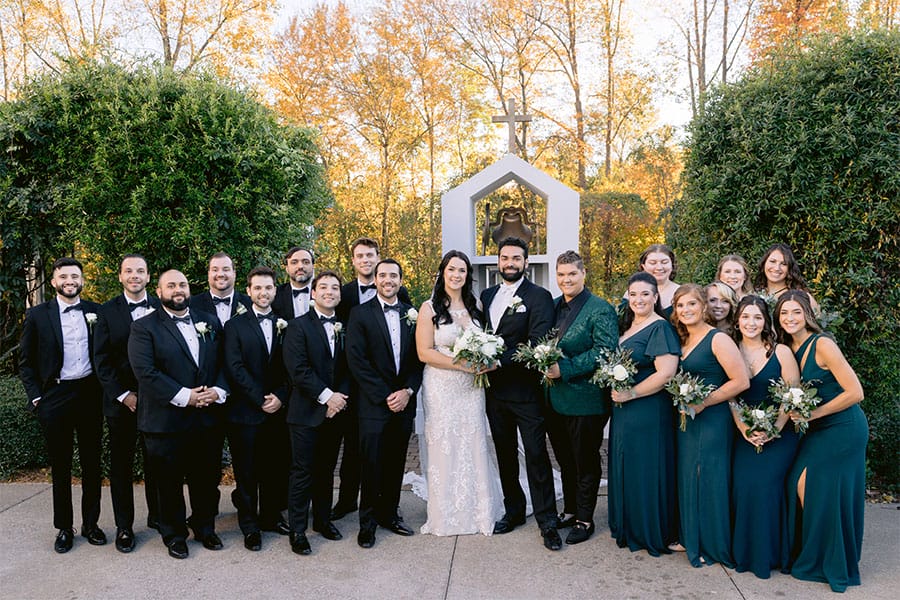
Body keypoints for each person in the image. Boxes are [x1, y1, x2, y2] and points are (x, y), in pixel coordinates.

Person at [128, 269, 229, 559]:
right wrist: (186, 396)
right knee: (168, 482)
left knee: (206, 479)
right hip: (165, 420)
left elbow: (226, 361)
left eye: (183, 284)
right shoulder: (144, 327)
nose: (178, 289)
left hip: (206, 417)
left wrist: (219, 391)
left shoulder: (208, 322)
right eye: (170, 285)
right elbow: (145, 372)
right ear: (158, 292)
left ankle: (205, 527)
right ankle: (174, 534)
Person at [775, 291, 867, 593]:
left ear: (807, 314)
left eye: (796, 312)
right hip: (816, 429)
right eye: (784, 313)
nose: (790, 318)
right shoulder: (788, 347)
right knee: (797, 484)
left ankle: (831, 562)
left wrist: (813, 414)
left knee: (814, 486)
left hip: (843, 427)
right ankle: (812, 555)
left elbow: (855, 392)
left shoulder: (822, 344)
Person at [19, 257, 105, 553]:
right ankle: (64, 528)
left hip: (90, 394)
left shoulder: (96, 311)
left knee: (93, 463)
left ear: (82, 280)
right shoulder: (38, 315)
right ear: (54, 282)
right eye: (64, 276)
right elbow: (26, 362)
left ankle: (91, 524)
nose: (70, 280)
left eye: (75, 276)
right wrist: (37, 398)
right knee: (61, 466)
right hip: (55, 396)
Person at [480, 237, 561, 551]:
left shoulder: (539, 296)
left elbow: (537, 340)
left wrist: (497, 360)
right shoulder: (486, 295)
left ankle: (547, 522)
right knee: (504, 456)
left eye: (516, 258)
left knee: (536, 457)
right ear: (498, 261)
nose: (510, 263)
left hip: (526, 393)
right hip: (494, 394)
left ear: (526, 262)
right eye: (504, 258)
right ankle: (513, 510)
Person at [415, 250, 503, 536]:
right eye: (451, 269)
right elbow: (424, 352)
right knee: (445, 442)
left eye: (462, 271)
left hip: (471, 389)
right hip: (441, 386)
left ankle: (479, 510)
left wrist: (485, 360)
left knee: (473, 440)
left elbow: (486, 341)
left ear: (468, 275)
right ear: (442, 272)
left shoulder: (475, 305)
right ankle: (445, 513)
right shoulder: (428, 308)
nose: (456, 275)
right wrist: (465, 365)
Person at [332, 237, 411, 522]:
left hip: (396, 393)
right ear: (354, 260)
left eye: (371, 256)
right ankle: (351, 506)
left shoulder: (405, 304)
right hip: (355, 389)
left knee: (391, 456)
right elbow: (351, 351)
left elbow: (412, 351)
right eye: (360, 256)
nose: (366, 260)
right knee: (358, 452)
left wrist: (404, 391)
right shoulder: (346, 297)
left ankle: (389, 510)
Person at [346, 259, 423, 549]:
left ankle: (390, 514)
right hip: (374, 406)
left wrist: (407, 391)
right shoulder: (359, 314)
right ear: (375, 280)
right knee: (372, 464)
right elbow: (357, 361)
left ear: (401, 280)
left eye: (393, 275)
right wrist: (385, 395)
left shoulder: (411, 314)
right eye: (383, 275)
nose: (388, 280)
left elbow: (419, 359)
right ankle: (367, 524)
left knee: (395, 463)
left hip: (404, 403)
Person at [670, 284, 749, 567]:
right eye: (680, 306)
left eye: (691, 304)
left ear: (703, 307)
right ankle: (691, 536)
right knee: (689, 477)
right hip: (687, 420)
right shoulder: (682, 339)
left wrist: (705, 401)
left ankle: (712, 544)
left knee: (709, 477)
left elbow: (741, 381)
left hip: (712, 419)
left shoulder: (718, 339)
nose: (686, 310)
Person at [543, 251, 618, 545]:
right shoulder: (551, 306)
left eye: (571, 274)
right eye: (561, 275)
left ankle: (585, 519)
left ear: (583, 274)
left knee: (585, 460)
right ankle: (571, 510)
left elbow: (605, 350)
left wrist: (566, 368)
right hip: (554, 400)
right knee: (564, 459)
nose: (566, 280)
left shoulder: (601, 308)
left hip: (586, 400)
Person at [608, 272, 679, 556]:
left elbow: (666, 372)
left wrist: (632, 393)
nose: (639, 299)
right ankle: (628, 524)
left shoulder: (659, 328)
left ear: (655, 297)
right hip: (624, 408)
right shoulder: (625, 326)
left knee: (647, 466)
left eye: (645, 294)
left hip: (648, 408)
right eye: (633, 294)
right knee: (627, 463)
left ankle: (648, 530)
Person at [93, 254, 161, 552]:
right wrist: (123, 394)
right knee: (121, 466)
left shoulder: (162, 306)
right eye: (129, 271)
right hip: (122, 402)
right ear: (120, 276)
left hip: (159, 401)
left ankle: (159, 516)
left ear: (149, 277)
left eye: (141, 271)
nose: (135, 275)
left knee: (157, 462)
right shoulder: (106, 312)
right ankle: (124, 526)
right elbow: (101, 360)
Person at [729, 295, 800, 578]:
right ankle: (744, 554)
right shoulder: (731, 350)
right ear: (737, 320)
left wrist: (774, 428)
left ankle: (771, 555)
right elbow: (731, 398)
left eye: (757, 317)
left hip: (780, 434)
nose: (751, 322)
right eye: (745, 316)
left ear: (766, 321)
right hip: (743, 433)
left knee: (765, 484)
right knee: (743, 484)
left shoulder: (780, 351)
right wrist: (745, 429)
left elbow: (792, 394)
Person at [223, 266, 291, 552]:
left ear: (275, 291)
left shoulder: (285, 324)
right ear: (248, 291)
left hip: (277, 411)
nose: (264, 293)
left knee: (275, 468)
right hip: (246, 412)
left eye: (268, 288)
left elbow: (292, 368)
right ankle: (249, 526)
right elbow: (234, 367)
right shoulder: (234, 326)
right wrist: (259, 398)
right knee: (247, 472)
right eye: (258, 288)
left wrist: (280, 396)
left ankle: (271, 517)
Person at [283, 270, 351, 555]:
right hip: (306, 412)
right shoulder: (298, 327)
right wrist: (328, 397)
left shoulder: (345, 325)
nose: (329, 292)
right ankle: (298, 530)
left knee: (326, 470)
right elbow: (297, 369)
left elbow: (350, 367)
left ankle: (323, 521)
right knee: (303, 472)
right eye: (323, 287)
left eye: (335, 288)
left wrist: (340, 400)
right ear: (313, 293)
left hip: (335, 413)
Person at [190, 251, 253, 326]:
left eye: (225, 269)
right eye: (215, 270)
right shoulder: (192, 305)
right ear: (208, 274)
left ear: (234, 274)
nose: (220, 274)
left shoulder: (251, 304)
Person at [753, 244, 818, 310]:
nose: (777, 268)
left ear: (789, 268)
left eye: (783, 264)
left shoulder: (802, 296)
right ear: (764, 263)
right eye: (772, 261)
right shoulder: (754, 293)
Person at [272, 246, 315, 320]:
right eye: (294, 262)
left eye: (306, 262)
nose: (300, 266)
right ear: (287, 269)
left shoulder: (326, 292)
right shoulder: (275, 295)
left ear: (313, 266)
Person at [639, 244, 679, 317]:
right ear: (643, 266)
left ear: (672, 265)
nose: (659, 267)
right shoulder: (632, 294)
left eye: (664, 262)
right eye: (653, 263)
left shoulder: (682, 293)